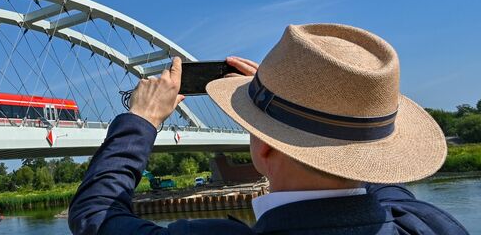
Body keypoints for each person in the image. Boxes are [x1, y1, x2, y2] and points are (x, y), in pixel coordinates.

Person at [69, 23, 468, 234]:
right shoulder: (424, 223)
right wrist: (293, 98)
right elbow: (375, 176)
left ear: (263, 149)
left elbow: (96, 214)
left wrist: (141, 119)